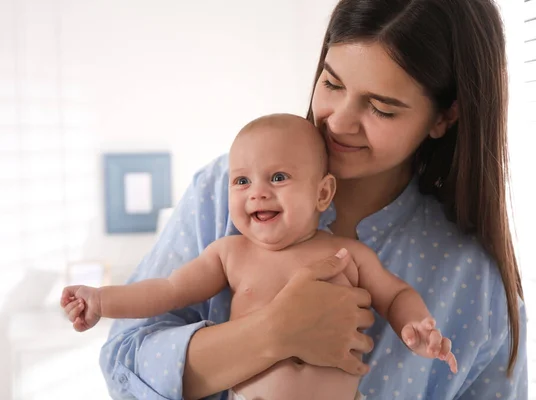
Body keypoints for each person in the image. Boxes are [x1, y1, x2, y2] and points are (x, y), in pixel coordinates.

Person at [99, 0, 527, 399]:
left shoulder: (472, 280)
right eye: (331, 83)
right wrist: (272, 333)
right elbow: (124, 362)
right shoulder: (228, 192)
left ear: (444, 116)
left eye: (381, 108)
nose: (338, 122)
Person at [62, 114, 457, 400]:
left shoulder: (347, 253)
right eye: (242, 180)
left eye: (278, 178)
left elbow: (395, 294)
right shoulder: (230, 253)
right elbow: (165, 291)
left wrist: (416, 326)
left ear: (322, 193)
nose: (257, 192)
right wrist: (101, 300)